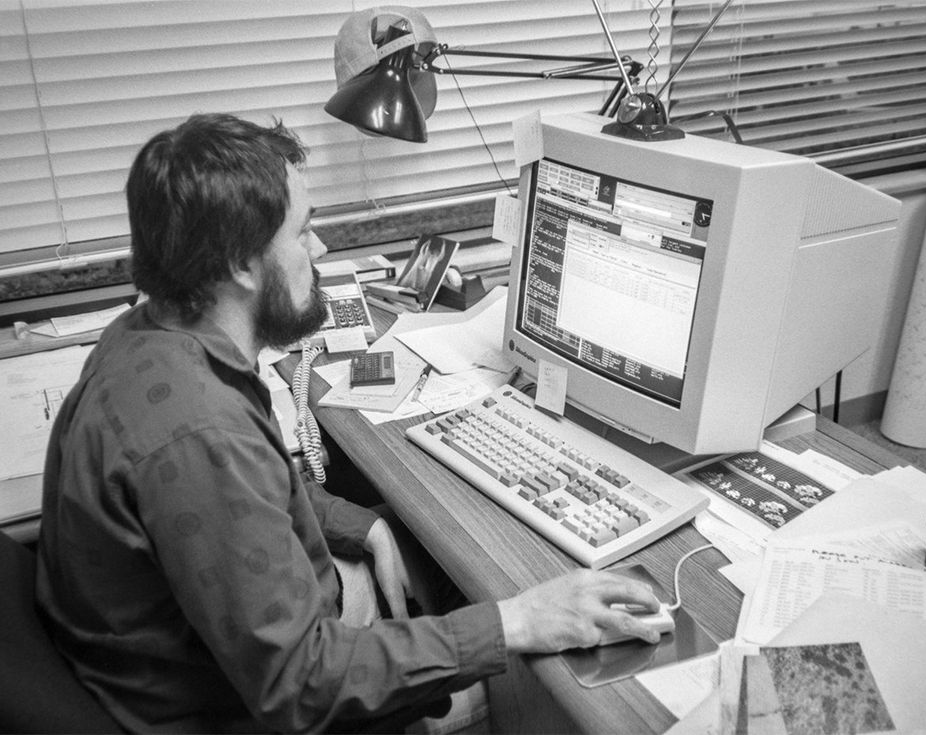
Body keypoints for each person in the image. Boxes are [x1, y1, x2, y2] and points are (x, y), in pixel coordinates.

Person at [35, 113, 665, 733]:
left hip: (251, 640)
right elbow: (301, 688)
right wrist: (518, 622)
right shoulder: (200, 433)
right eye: (303, 232)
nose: (322, 249)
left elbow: (255, 491)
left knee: (434, 551)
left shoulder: (150, 336)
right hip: (251, 702)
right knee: (557, 683)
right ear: (240, 264)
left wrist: (359, 526)